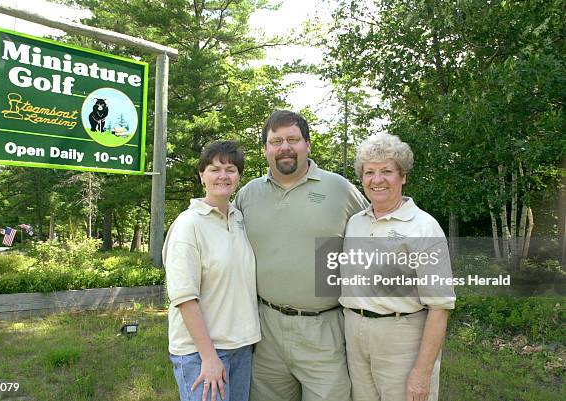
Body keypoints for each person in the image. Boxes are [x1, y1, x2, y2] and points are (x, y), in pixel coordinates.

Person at [235, 110, 368, 401]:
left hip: (324, 328)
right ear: (266, 149)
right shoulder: (247, 195)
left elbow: (374, 237)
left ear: (307, 144)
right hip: (266, 328)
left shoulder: (339, 189)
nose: (285, 147)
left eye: (293, 139)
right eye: (276, 141)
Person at [339, 133, 456, 401]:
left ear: (402, 176)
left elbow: (440, 307)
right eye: (369, 172)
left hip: (401, 338)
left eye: (386, 171)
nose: (377, 180)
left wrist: (422, 372)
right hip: (355, 334)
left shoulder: (424, 227)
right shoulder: (355, 222)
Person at [163, 141, 261, 401]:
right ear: (201, 175)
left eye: (230, 169)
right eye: (215, 169)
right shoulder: (188, 225)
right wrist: (208, 357)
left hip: (240, 347)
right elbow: (184, 297)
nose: (223, 176)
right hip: (201, 352)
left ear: (238, 177)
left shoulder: (238, 219)